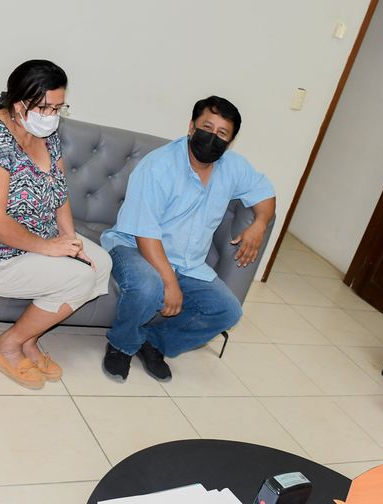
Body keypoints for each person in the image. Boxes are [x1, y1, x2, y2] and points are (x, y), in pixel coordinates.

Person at [0, 60, 111, 390]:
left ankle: (29, 339)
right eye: (45, 108)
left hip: (38, 236)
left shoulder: (47, 135)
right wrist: (49, 248)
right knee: (78, 278)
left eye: (58, 108)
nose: (51, 116)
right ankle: (6, 344)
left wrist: (70, 239)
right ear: (19, 103)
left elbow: (59, 192)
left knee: (101, 263)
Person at [100, 96, 276, 382]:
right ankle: (122, 345)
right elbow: (145, 234)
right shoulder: (159, 166)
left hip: (188, 262)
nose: (213, 137)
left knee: (228, 311)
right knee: (149, 286)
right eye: (207, 127)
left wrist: (260, 223)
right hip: (135, 247)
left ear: (229, 142)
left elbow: (265, 194)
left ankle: (153, 343)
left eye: (222, 133)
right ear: (191, 127)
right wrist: (169, 282)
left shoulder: (233, 167)